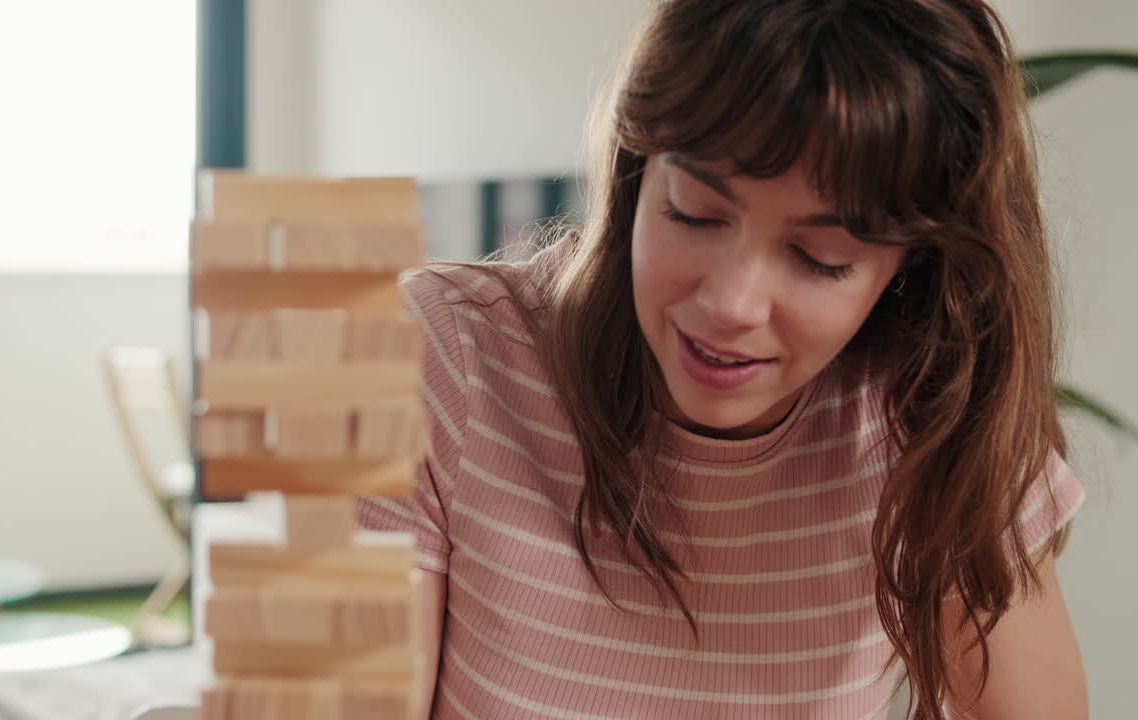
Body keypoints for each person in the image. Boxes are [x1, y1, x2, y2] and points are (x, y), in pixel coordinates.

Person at [358, 1, 1089, 718]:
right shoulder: (443, 361)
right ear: (637, 171)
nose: (731, 304)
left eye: (819, 257)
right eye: (694, 212)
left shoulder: (931, 423)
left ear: (910, 267)